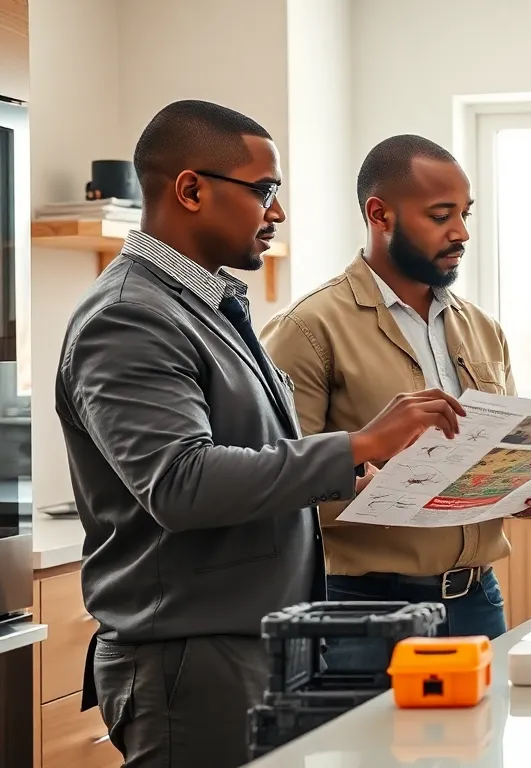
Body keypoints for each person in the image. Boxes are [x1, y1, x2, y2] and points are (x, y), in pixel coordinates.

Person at [54, 101, 465, 768]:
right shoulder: (129, 317)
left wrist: (359, 472)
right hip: (188, 661)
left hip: (249, 645)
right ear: (191, 189)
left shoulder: (205, 305)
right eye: (265, 191)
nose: (276, 213)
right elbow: (181, 483)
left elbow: (250, 458)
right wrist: (359, 443)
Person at [260, 134, 531, 667]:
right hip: (363, 611)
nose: (461, 233)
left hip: (476, 602)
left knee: (481, 752)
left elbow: (492, 454)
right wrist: (371, 481)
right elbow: (277, 484)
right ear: (381, 215)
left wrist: (530, 486)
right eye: (441, 215)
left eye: (464, 214)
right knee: (373, 754)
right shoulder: (307, 329)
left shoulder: (483, 329)